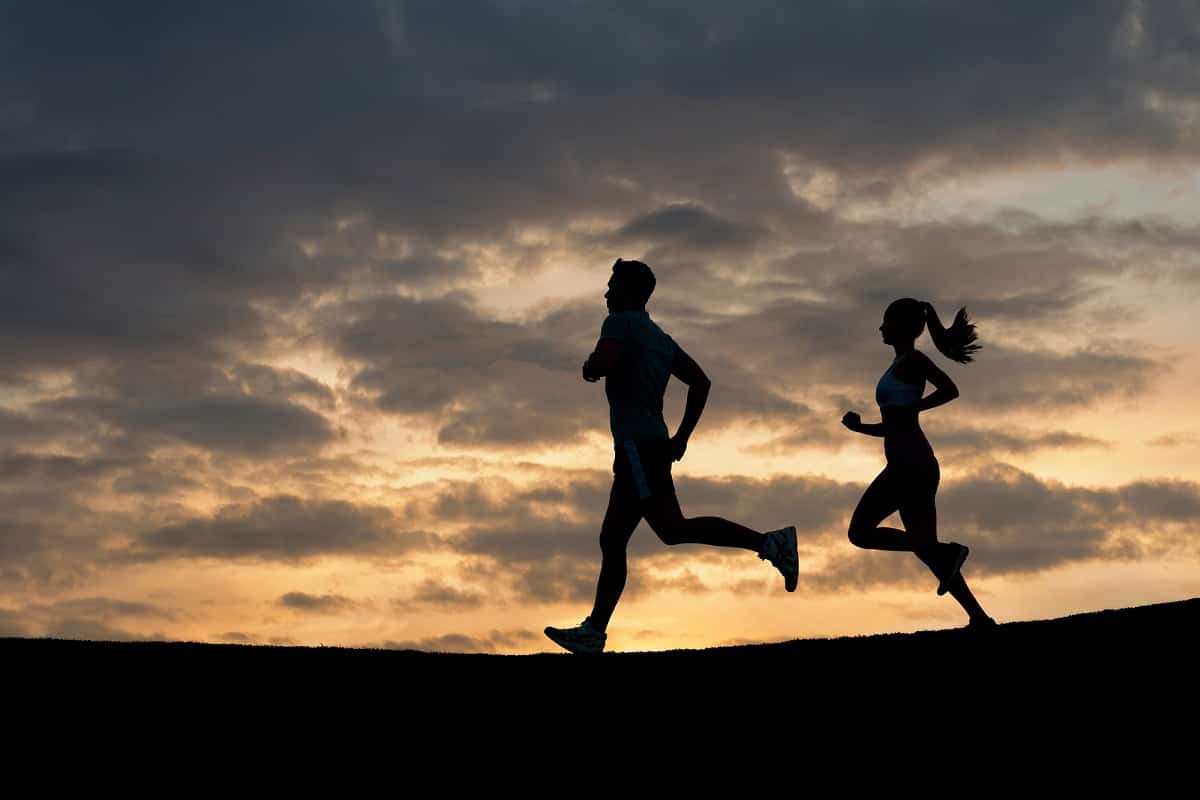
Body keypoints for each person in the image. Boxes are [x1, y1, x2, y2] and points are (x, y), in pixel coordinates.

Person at [544, 259, 798, 654]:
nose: (606, 294)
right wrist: (681, 437)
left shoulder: (620, 323)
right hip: (650, 445)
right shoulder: (660, 337)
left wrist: (589, 367)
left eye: (612, 286)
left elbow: (605, 362)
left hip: (637, 448)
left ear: (629, 291)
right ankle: (594, 629)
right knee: (614, 537)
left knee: (669, 528)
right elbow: (701, 381)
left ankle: (770, 542)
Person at [841, 298, 997, 630]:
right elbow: (894, 424)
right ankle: (979, 617)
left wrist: (917, 409)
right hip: (915, 463)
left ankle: (944, 553)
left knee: (860, 532)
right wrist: (860, 428)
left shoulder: (912, 359)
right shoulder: (900, 363)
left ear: (901, 326)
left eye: (885, 321)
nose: (880, 328)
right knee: (929, 552)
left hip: (909, 465)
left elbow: (950, 390)